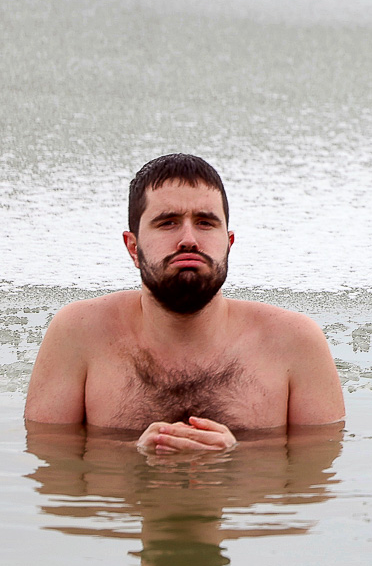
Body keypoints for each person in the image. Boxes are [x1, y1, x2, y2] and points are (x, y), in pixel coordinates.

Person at [24, 153, 345, 451]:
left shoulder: (295, 342)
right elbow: (52, 470)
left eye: (205, 222)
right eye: (168, 222)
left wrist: (231, 459)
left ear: (228, 243)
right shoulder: (78, 334)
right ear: (133, 247)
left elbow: (314, 474)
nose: (188, 239)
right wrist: (136, 457)